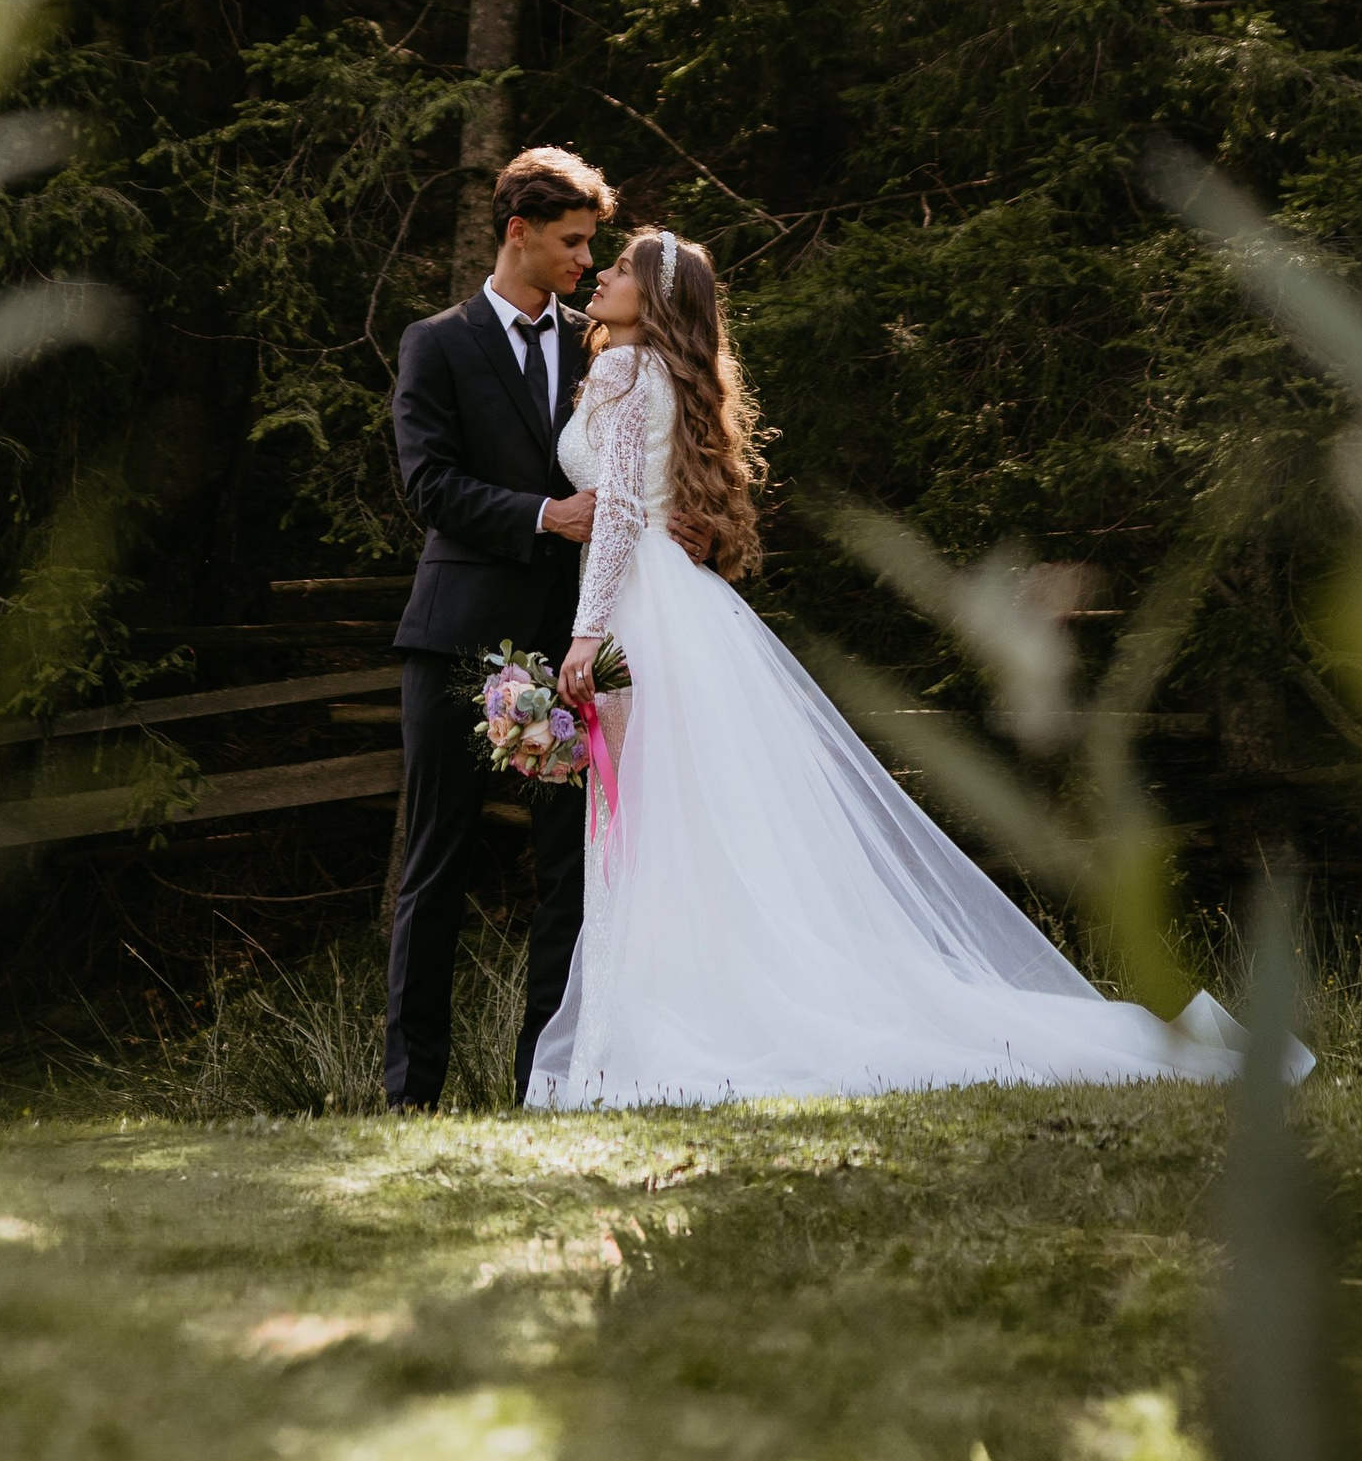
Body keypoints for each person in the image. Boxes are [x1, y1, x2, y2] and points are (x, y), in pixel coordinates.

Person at [525, 225, 1284, 1110]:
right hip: (671, 607)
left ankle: (642, 1043)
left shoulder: (629, 369)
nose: (604, 278)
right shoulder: (655, 374)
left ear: (653, 300)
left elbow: (617, 507)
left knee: (644, 824)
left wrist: (584, 636)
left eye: (619, 269)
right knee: (665, 823)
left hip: (639, 613)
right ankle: (649, 1031)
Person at [382, 143, 613, 1111]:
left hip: (568, 652)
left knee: (569, 873)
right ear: (516, 232)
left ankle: (542, 1087)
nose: (586, 262)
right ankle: (410, 1094)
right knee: (435, 862)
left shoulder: (603, 343)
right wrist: (541, 514)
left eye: (592, 243)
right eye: (570, 241)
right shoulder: (435, 342)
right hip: (456, 640)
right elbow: (425, 481)